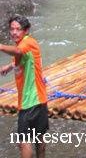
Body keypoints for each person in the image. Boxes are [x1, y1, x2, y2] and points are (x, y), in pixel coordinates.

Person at [1, 15, 48, 158]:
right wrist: (9, 67)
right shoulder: (25, 44)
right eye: (12, 29)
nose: (14, 32)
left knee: (23, 142)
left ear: (26, 30)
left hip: (30, 101)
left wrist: (1, 46)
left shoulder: (28, 42)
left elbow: (20, 52)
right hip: (40, 99)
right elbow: (21, 57)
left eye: (18, 29)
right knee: (39, 139)